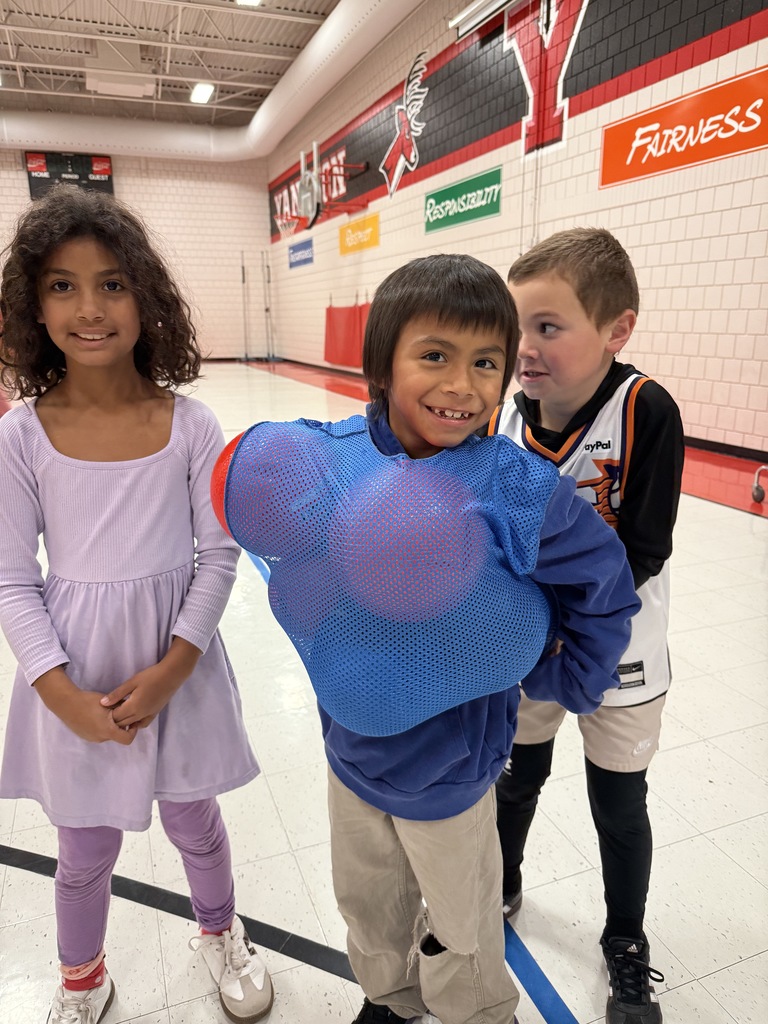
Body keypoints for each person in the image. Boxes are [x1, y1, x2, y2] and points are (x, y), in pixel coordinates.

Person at [211, 253, 641, 1024]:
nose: (462, 384)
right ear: (382, 366)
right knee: (369, 909)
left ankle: (475, 1013)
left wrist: (568, 679)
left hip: (453, 776)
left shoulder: (512, 486)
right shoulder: (332, 465)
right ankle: (390, 999)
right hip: (351, 759)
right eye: (435, 356)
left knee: (462, 928)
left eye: (486, 363)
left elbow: (604, 582)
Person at [0, 184, 273, 1024]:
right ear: (33, 306)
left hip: (176, 667)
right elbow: (11, 577)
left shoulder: (190, 425)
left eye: (112, 284)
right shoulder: (20, 434)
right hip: (75, 673)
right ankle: (82, 979)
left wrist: (173, 668)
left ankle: (221, 933)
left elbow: (217, 555)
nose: (89, 308)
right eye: (63, 285)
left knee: (195, 820)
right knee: (83, 848)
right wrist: (58, 693)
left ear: (145, 296)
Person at [491, 228, 684, 1024]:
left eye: (548, 326)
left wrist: (571, 623)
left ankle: (626, 942)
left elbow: (645, 549)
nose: (525, 348)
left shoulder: (646, 411)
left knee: (618, 801)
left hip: (620, 647)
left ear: (616, 330)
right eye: (518, 327)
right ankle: (499, 884)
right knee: (518, 775)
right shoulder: (508, 416)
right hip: (532, 642)